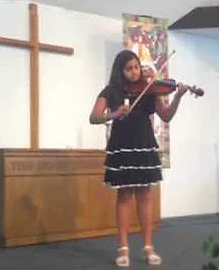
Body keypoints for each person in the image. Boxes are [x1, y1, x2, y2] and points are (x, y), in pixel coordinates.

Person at [89, 49, 187, 267]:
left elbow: (167, 116)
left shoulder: (150, 90)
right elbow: (94, 117)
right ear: (120, 71)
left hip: (144, 145)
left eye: (136, 67)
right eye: (129, 69)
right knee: (124, 196)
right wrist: (114, 114)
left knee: (145, 196)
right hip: (122, 146)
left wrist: (178, 95)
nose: (134, 72)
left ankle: (148, 247)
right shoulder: (111, 91)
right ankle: (123, 249)